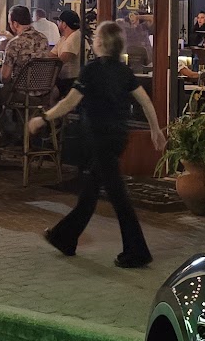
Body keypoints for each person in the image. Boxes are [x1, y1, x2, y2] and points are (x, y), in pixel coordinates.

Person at [30, 19, 165, 268]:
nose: (93, 41)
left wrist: (43, 118)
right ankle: (65, 237)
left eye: (95, 38)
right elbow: (145, 101)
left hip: (98, 137)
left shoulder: (91, 70)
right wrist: (155, 129)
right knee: (91, 192)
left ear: (101, 43)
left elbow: (70, 102)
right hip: (117, 137)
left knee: (118, 196)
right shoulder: (124, 71)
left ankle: (137, 251)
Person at [0, 4, 51, 84]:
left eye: (10, 23)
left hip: (20, 88)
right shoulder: (43, 39)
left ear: (15, 24)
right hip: (43, 86)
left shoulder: (14, 43)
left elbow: (5, 78)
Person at [53, 7, 83, 85]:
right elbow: (51, 55)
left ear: (64, 24)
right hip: (63, 79)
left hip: (72, 81)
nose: (57, 23)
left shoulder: (76, 36)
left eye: (59, 21)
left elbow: (62, 60)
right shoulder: (64, 38)